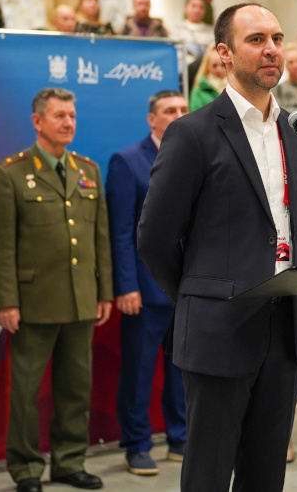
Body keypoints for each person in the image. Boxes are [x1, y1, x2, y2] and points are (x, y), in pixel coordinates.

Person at [136, 2, 297, 491]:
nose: (271, 49)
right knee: (209, 474)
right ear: (224, 53)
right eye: (256, 40)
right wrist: (198, 294)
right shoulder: (192, 133)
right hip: (219, 329)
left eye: (277, 39)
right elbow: (154, 237)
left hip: (284, 328)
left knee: (266, 473)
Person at [0, 88, 114, 492]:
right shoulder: (10, 172)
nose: (68, 123)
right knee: (25, 392)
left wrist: (104, 291)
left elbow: (100, 237)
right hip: (33, 302)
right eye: (59, 115)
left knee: (75, 388)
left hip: (80, 298)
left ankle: (69, 462)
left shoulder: (87, 170)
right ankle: (25, 468)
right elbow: (1, 246)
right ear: (37, 121)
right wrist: (6, 300)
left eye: (72, 115)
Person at [106, 91, 189, 476]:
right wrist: (126, 285)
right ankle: (136, 444)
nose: (179, 115)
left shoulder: (195, 155)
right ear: (151, 119)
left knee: (181, 371)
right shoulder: (127, 161)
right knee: (139, 373)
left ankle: (180, 437)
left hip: (186, 287)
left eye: (184, 110)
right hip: (144, 288)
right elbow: (121, 231)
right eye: (170, 111)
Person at [168, 0, 215, 87]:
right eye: (194, 6)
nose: (197, 10)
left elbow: (213, 54)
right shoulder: (177, 30)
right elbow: (173, 54)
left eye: (201, 7)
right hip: (183, 73)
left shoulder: (211, 32)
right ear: (185, 8)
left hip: (206, 72)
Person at [189, 44, 227, 111]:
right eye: (214, 65)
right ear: (207, 66)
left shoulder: (236, 87)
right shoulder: (198, 92)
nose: (219, 70)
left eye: (222, 65)